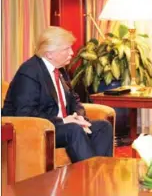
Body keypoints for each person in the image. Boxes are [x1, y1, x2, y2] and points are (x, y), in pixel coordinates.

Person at [2, 26, 113, 163]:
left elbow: (74, 100)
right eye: (66, 49)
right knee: (73, 130)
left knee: (103, 127)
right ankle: (90, 178)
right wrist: (64, 121)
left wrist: (79, 117)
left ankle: (98, 174)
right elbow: (25, 113)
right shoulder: (29, 72)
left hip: (63, 127)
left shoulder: (60, 71)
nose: (72, 53)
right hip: (39, 130)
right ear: (49, 54)